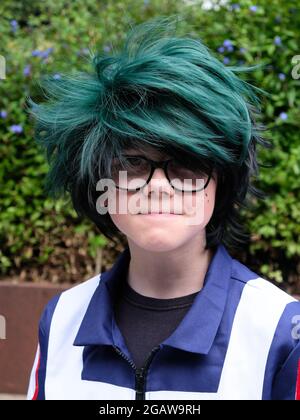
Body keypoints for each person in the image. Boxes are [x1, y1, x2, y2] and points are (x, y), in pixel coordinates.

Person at [26, 16, 300, 400]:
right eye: (132, 163)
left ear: (220, 183)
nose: (157, 186)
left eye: (186, 164)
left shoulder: (279, 331)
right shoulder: (62, 320)